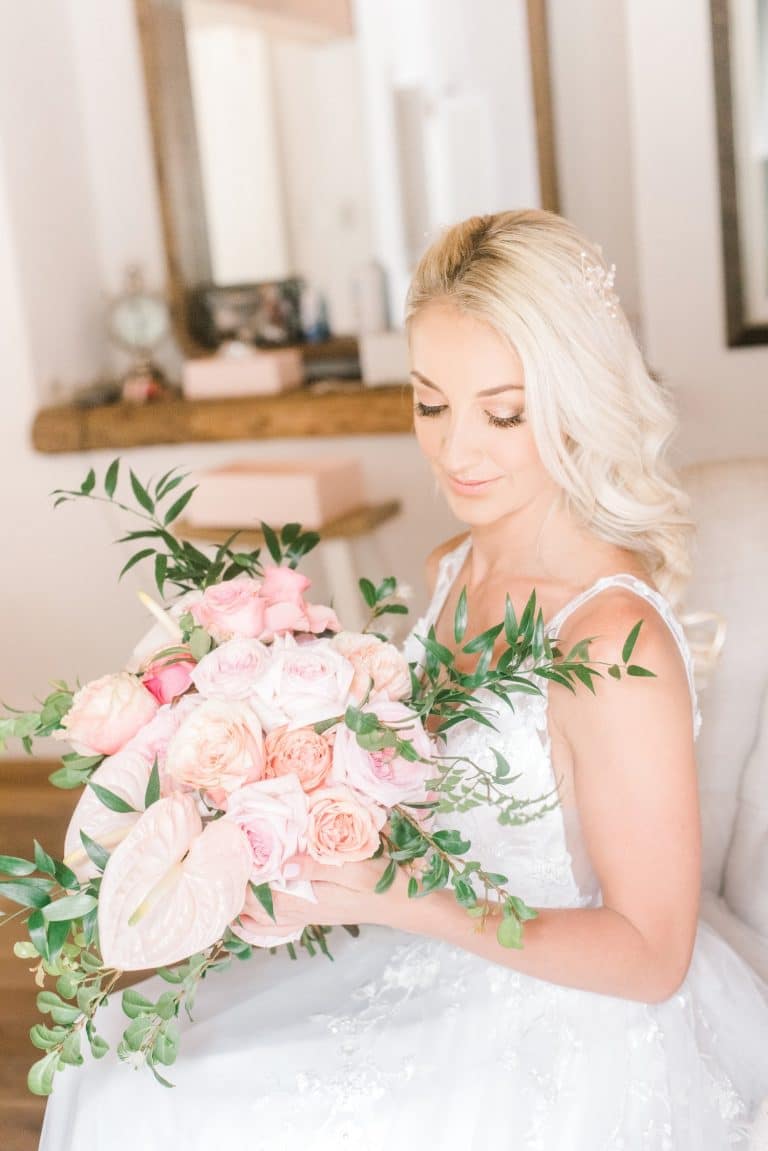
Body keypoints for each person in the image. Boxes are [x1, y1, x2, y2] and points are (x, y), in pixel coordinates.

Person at [39, 210, 768, 1149]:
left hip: (562, 1013)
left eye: (502, 413)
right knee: (116, 1069)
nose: (457, 451)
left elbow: (651, 955)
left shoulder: (612, 639)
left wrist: (394, 896)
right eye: (431, 403)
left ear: (576, 400)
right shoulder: (452, 565)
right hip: (412, 952)